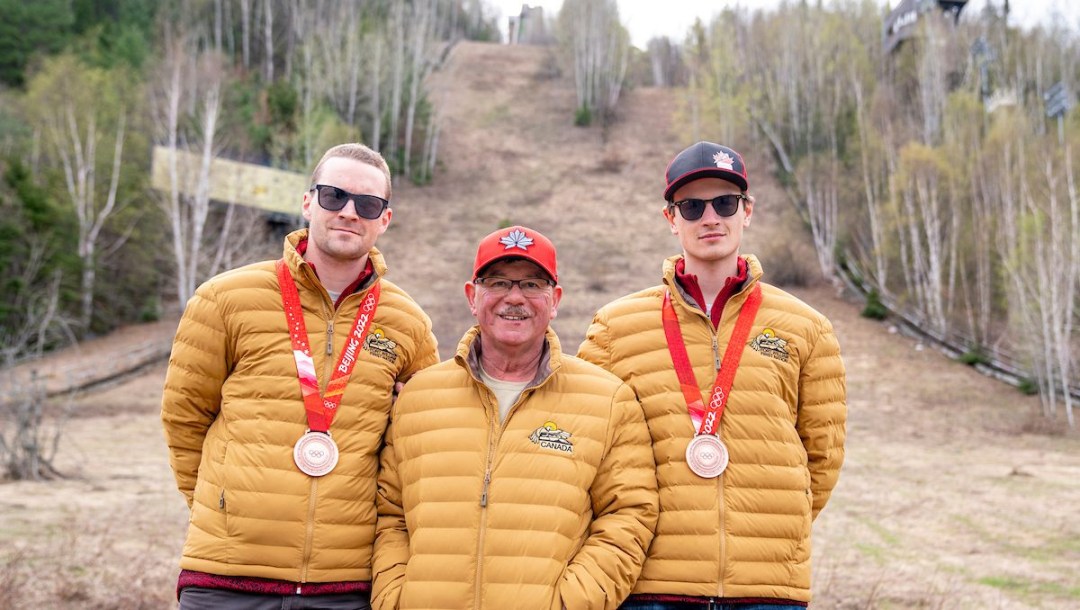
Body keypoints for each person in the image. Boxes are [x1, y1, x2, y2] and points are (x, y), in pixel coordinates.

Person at [161, 143, 440, 610]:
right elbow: (183, 420)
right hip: (227, 580)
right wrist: (228, 510)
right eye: (334, 196)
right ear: (308, 201)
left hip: (347, 585)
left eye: (367, 204)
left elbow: (421, 442)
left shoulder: (407, 322)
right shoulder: (225, 299)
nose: (349, 212)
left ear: (384, 219)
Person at [578, 142, 847, 609]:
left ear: (747, 212)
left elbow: (822, 459)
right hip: (652, 584)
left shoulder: (807, 327)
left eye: (725, 203)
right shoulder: (614, 327)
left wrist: (772, 530)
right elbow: (588, 452)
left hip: (767, 589)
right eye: (692, 206)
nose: (710, 218)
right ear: (671, 219)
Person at [371, 226, 659, 610]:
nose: (514, 297)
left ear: (554, 300)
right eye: (498, 282)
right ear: (472, 296)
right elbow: (390, 514)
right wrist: (395, 598)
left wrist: (572, 604)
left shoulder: (607, 400)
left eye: (532, 284)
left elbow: (628, 515)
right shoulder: (419, 397)